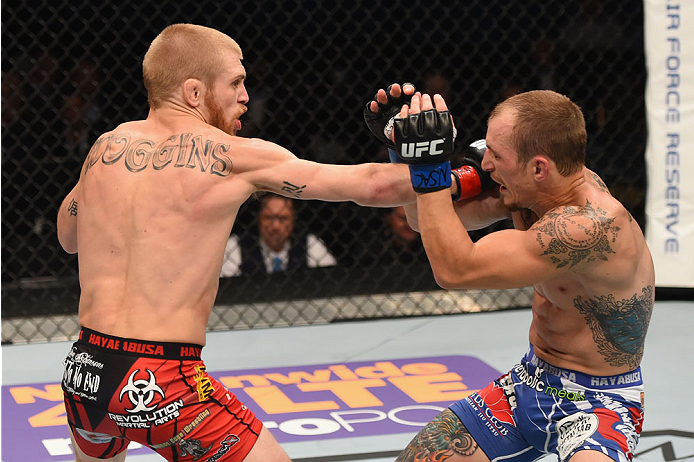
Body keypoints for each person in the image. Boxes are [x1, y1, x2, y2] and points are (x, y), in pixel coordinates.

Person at [55, 24, 429, 462]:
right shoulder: (233, 156)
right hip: (161, 382)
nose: (246, 95)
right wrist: (430, 156)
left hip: (85, 374)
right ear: (194, 92)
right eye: (235, 82)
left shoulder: (106, 146)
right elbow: (369, 187)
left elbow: (67, 237)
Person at [364, 86, 654, 462]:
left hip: (598, 402)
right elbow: (425, 220)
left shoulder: (588, 227)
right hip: (529, 381)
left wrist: (431, 166)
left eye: (496, 156)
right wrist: (407, 154)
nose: (485, 164)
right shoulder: (536, 189)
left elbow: (455, 269)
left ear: (538, 167)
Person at [220, 193, 336, 276]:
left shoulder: (310, 244)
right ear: (258, 219)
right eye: (268, 218)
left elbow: (330, 279)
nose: (275, 226)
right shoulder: (237, 245)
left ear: (292, 221)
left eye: (283, 218)